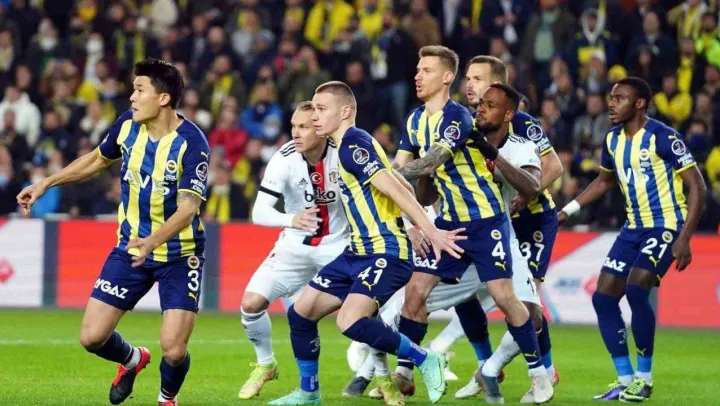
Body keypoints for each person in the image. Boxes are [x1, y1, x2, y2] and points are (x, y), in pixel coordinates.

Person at [17, 58, 210, 406]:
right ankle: (133, 360)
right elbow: (96, 159)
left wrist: (154, 240)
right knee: (92, 337)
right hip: (130, 249)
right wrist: (45, 183)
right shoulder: (128, 125)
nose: (132, 97)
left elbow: (188, 208)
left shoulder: (191, 143)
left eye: (139, 90)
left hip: (180, 255)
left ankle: (167, 398)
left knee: (174, 348)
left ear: (163, 98)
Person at [345, 84, 553, 404]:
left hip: (493, 229)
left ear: (508, 114)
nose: (480, 108)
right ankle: (404, 373)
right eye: (481, 103)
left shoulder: (519, 146)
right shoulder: (455, 135)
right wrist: (428, 167)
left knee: (509, 300)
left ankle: (538, 373)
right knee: (415, 291)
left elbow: (533, 187)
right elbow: (427, 195)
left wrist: (490, 152)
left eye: (490, 105)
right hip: (450, 227)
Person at [267, 81, 465, 406]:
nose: (314, 116)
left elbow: (396, 190)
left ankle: (426, 358)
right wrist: (413, 224)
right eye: (313, 109)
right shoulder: (348, 144)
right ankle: (309, 392)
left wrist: (430, 230)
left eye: (321, 109)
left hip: (385, 251)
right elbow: (402, 183)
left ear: (345, 111)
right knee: (301, 313)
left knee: (349, 321)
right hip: (358, 251)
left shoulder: (353, 145)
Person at [558, 77, 706, 402]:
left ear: (639, 104)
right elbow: (604, 181)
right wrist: (567, 210)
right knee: (603, 298)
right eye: (611, 97)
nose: (611, 104)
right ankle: (625, 379)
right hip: (633, 228)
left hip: (666, 225)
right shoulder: (612, 139)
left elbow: (698, 185)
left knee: (637, 290)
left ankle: (645, 378)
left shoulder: (663, 137)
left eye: (620, 98)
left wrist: (685, 237)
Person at [236, 101, 350, 399]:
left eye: (304, 127)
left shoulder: (343, 154)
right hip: (294, 247)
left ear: (320, 129)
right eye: (293, 126)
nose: (295, 134)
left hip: (337, 247)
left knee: (363, 313)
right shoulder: (284, 158)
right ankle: (266, 364)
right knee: (250, 304)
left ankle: (382, 376)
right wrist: (292, 219)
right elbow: (259, 212)